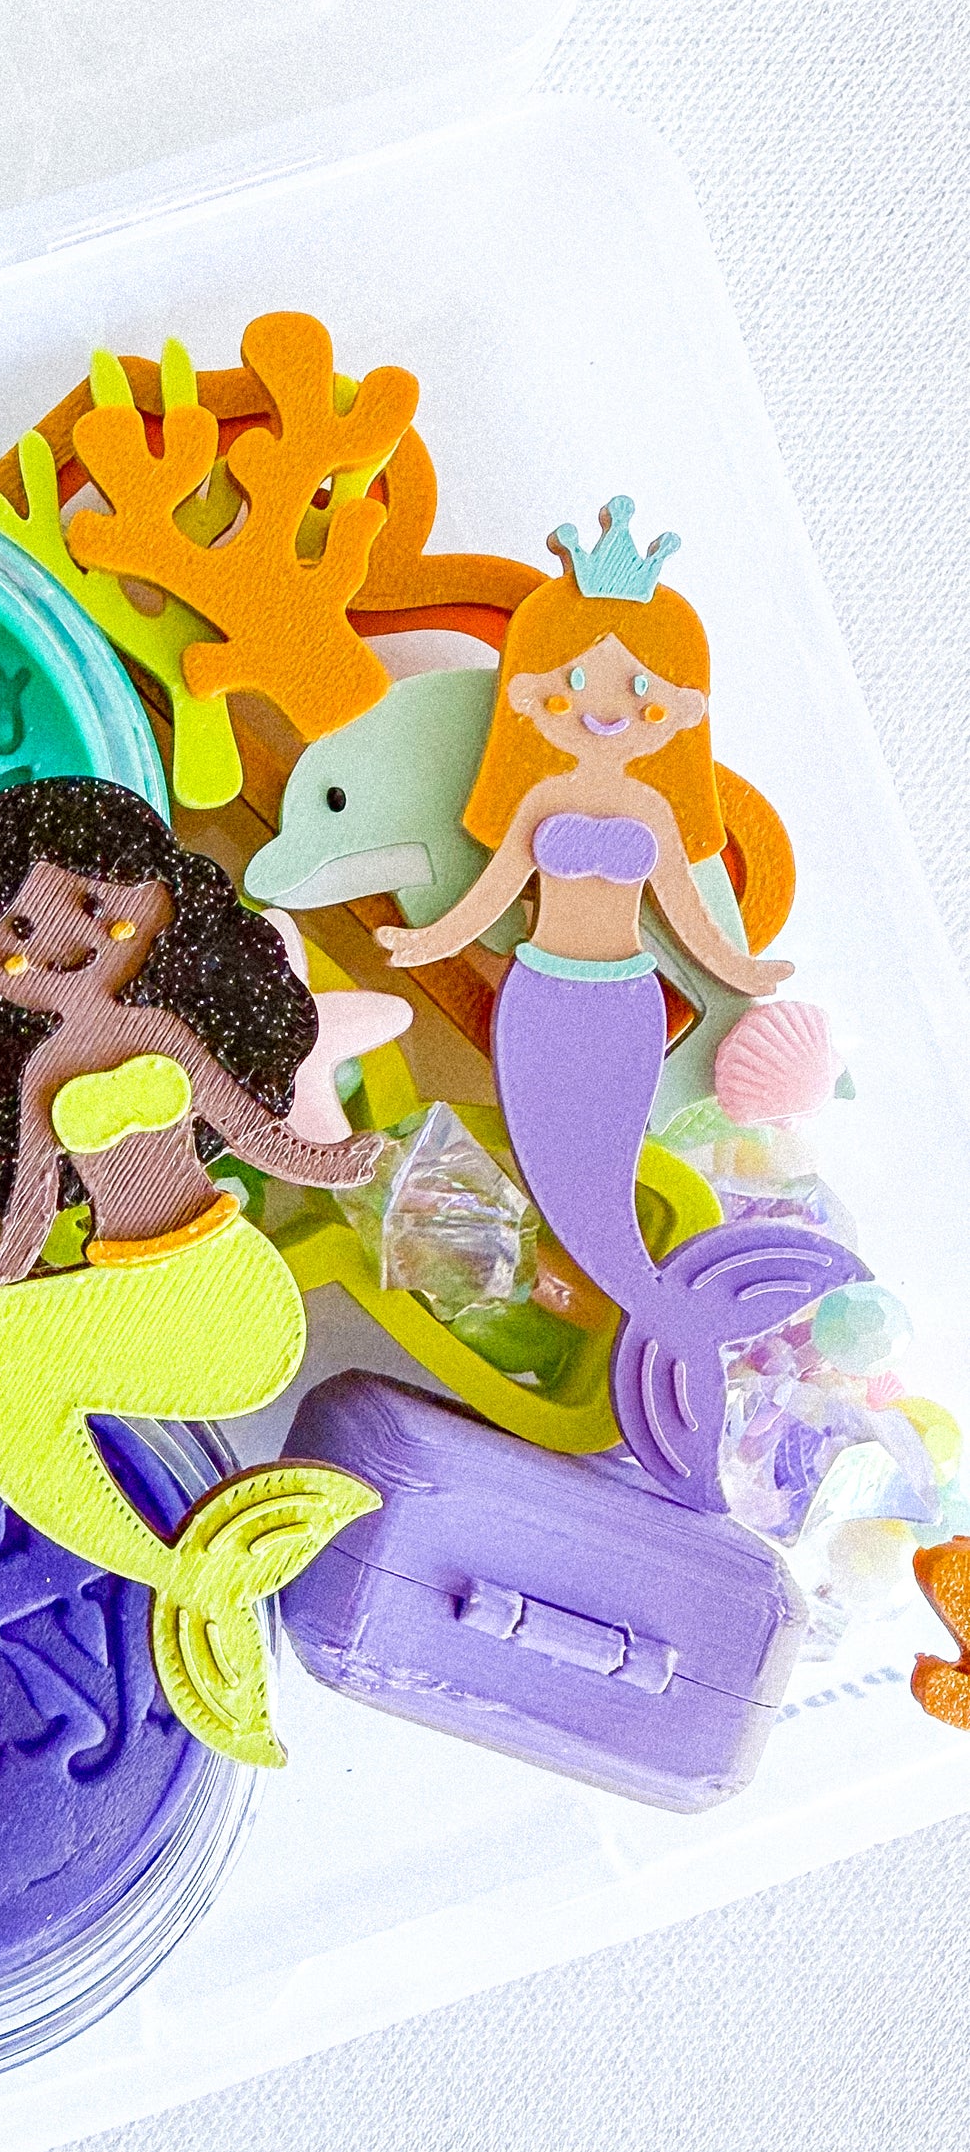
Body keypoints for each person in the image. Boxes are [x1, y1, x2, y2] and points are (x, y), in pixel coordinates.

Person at [376, 498, 868, 1506]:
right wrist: (424, 942)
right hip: (537, 994)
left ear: (677, 708)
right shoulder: (536, 800)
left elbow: (683, 912)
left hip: (625, 1003)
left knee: (606, 1172)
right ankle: (666, 1312)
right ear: (531, 696)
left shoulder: (652, 807)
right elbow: (488, 894)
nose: (601, 707)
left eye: (638, 689)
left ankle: (665, 1313)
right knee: (560, 1173)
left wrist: (741, 973)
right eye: (572, 684)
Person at [0, 777, 384, 1767]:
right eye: (16, 927)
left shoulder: (164, 1030)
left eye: (85, 899)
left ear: (144, 894)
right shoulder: (41, 1073)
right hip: (125, 1288)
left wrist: (334, 1162)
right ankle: (177, 1572)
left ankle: (185, 1572)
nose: (62, 937)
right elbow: (32, 1203)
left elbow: (249, 1126)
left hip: (223, 1289)